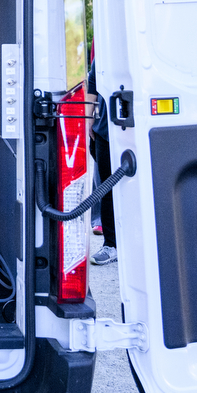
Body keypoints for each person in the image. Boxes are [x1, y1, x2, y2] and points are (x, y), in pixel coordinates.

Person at [87, 61, 118, 266]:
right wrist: (88, 119)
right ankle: (111, 245)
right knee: (107, 188)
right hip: (105, 130)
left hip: (138, 127)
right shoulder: (107, 47)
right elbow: (93, 81)